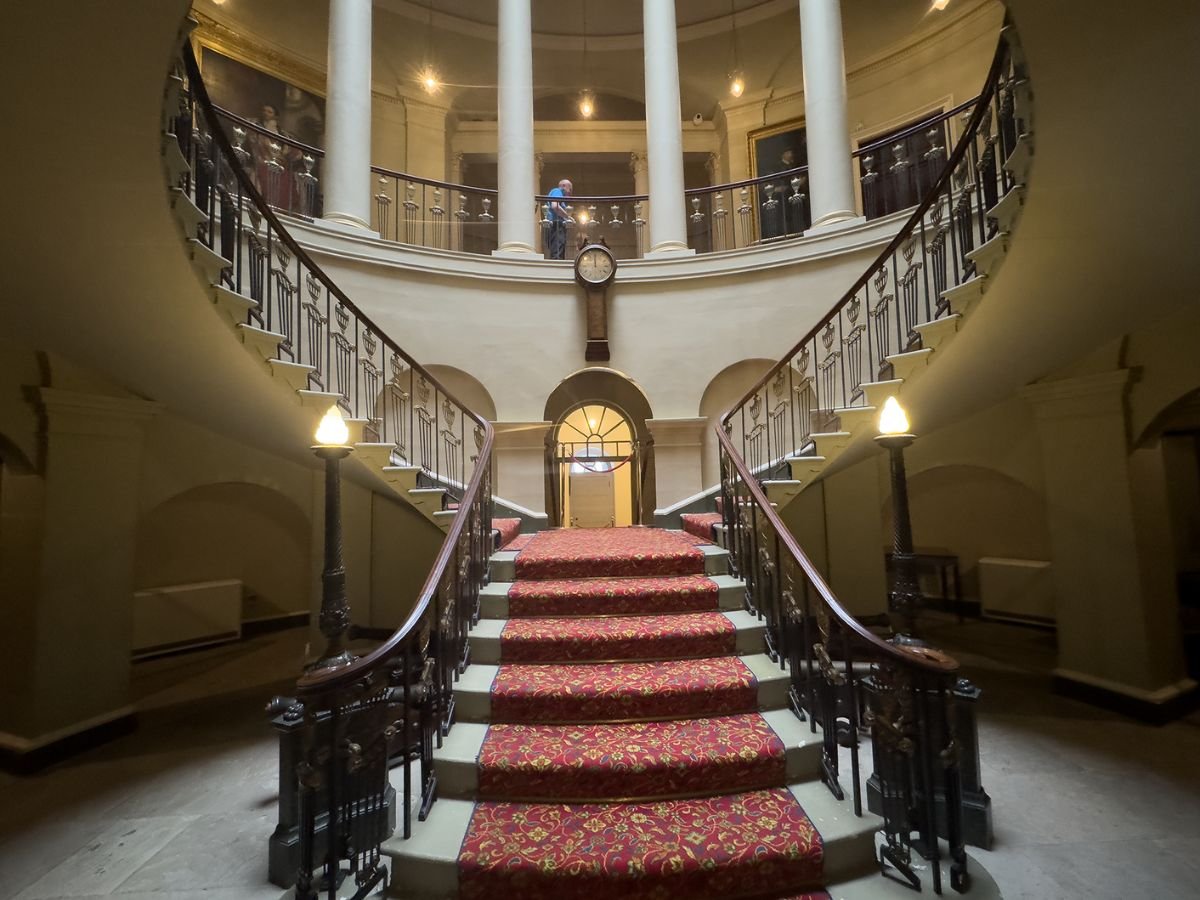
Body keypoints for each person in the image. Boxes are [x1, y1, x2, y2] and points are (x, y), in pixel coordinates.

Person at [546, 178, 574, 260]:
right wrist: (568, 217)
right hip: (556, 225)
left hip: (556, 225)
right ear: (564, 186)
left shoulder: (558, 194)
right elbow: (555, 206)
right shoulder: (557, 191)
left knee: (558, 248)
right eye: (570, 189)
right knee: (557, 250)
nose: (570, 193)